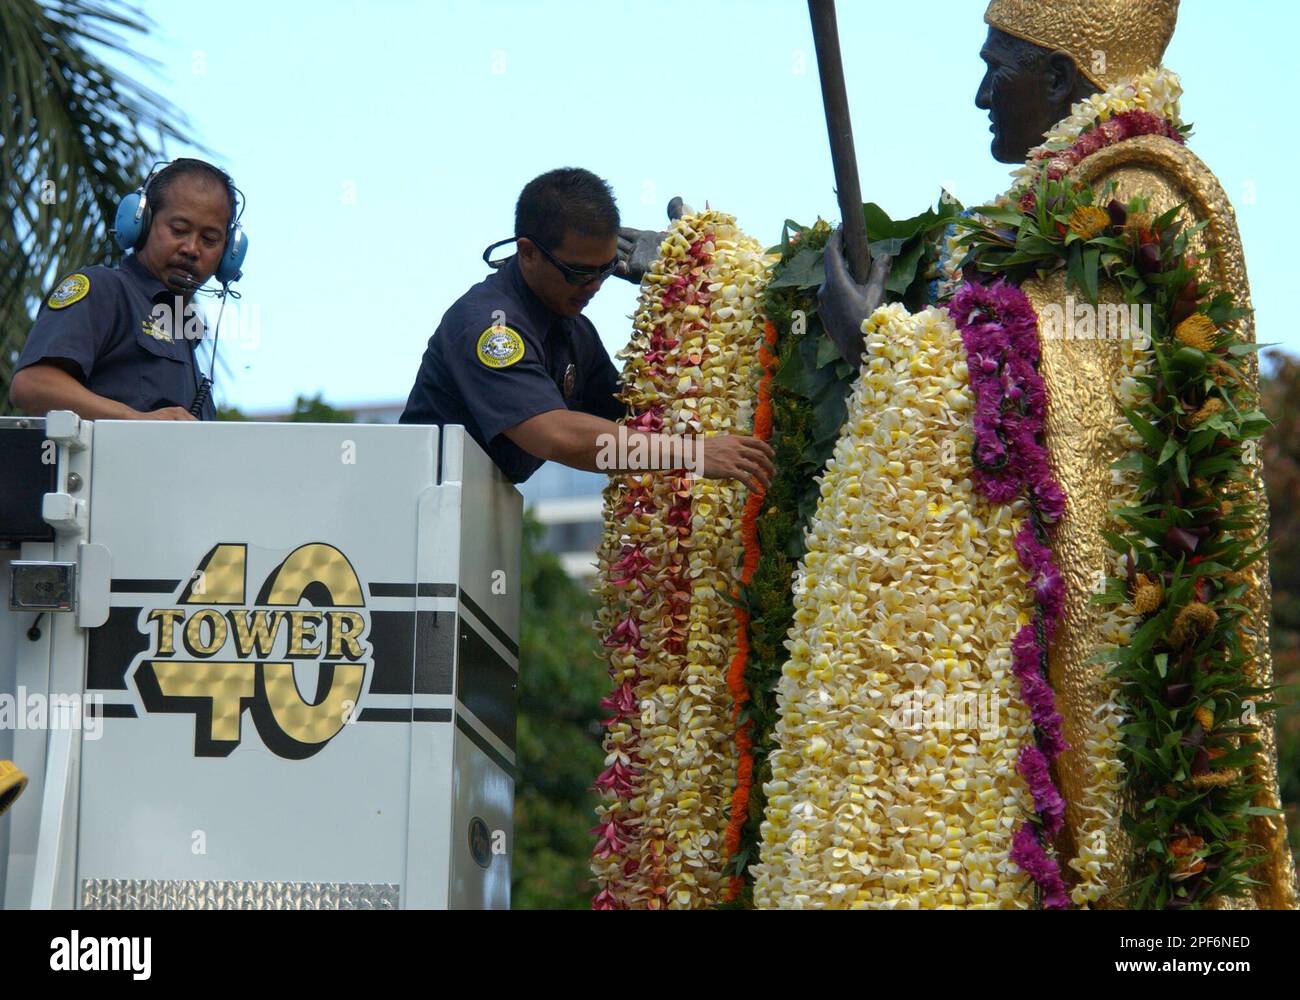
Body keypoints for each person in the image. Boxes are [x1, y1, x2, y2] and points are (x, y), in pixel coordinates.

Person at [750, 0, 1297, 909]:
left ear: (1072, 72)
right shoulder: (1056, 202)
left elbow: (1061, 385)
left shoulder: (1143, 192)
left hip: (1118, 622)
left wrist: (885, 347)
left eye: (998, 66)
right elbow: (1001, 355)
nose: (979, 96)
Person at [400, 167, 774, 489]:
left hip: (469, 520)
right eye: (579, 272)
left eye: (607, 269)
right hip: (410, 518)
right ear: (528, 252)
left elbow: (637, 420)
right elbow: (555, 435)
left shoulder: (575, 330)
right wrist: (693, 454)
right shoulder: (490, 327)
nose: (594, 285)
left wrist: (685, 289)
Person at [8, 158, 243, 422]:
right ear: (141, 224)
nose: (191, 248)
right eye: (178, 230)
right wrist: (136, 420)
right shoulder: (104, 290)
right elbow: (31, 385)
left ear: (228, 255)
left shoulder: (185, 330)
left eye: (209, 239)